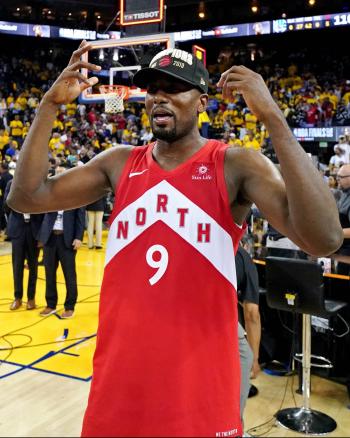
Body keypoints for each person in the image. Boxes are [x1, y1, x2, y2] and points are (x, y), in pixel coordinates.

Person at [7, 42, 342, 437]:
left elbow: (324, 239)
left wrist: (273, 118)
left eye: (175, 87)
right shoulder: (118, 162)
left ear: (202, 102)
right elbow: (25, 196)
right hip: (119, 386)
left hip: (199, 391)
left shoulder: (235, 164)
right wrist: (48, 106)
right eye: (153, 89)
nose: (160, 98)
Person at [38, 166, 85, 318]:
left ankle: (70, 306)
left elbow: (80, 216)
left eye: (62, 172)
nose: (59, 175)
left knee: (69, 275)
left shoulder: (76, 193)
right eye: (57, 173)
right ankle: (51, 304)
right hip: (50, 238)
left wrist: (78, 237)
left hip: (68, 239)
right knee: (49, 273)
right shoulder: (50, 192)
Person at [4, 180, 43, 310]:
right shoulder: (12, 184)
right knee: (17, 265)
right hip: (18, 229)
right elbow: (6, 206)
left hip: (34, 230)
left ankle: (31, 298)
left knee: (33, 265)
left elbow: (42, 208)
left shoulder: (37, 184)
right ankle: (17, 297)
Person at [235, 238, 261, 422]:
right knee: (245, 355)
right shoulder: (242, 257)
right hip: (219, 327)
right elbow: (252, 314)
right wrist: (255, 359)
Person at [334, 164, 350, 275]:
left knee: (340, 283)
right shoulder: (342, 192)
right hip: (340, 245)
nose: (337, 179)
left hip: (347, 250)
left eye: (340, 177)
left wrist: (331, 233)